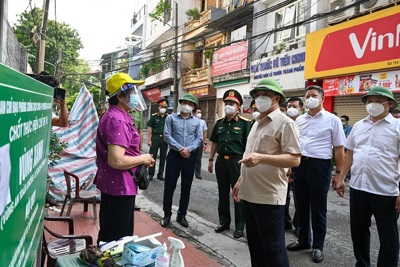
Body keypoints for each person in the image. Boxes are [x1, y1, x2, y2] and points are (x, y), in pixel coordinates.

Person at [232, 78, 302, 267]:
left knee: (273, 249)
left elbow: (294, 159)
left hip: (269, 197)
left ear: (276, 99)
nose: (260, 99)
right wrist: (240, 181)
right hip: (249, 193)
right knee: (255, 247)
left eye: (266, 96)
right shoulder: (256, 122)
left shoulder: (285, 123)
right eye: (258, 96)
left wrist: (262, 158)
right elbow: (249, 155)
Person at [332, 86, 400, 267]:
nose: (372, 105)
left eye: (377, 101)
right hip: (358, 188)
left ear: (389, 104)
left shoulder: (397, 127)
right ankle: (362, 263)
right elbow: (350, 153)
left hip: (386, 191)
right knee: (359, 231)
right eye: (369, 101)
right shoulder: (359, 126)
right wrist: (341, 178)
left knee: (389, 236)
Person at [286, 85, 346, 264]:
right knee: (301, 205)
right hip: (299, 165)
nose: (309, 98)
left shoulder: (332, 120)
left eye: (313, 95)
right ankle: (304, 240)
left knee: (318, 208)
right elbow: (295, 145)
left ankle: (318, 246)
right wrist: (290, 167)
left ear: (322, 98)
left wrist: (339, 173)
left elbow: (339, 148)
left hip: (320, 166)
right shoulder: (299, 120)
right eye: (307, 96)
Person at [94, 73, 155, 244]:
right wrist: (142, 159)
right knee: (117, 239)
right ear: (120, 96)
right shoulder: (117, 120)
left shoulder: (117, 116)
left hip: (115, 185)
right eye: (132, 92)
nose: (136, 96)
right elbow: (117, 161)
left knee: (110, 234)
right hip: (119, 186)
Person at [208, 89, 251, 239]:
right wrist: (211, 160)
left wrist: (245, 167)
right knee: (222, 193)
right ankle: (224, 222)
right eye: (226, 102)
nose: (228, 105)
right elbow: (214, 142)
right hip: (221, 161)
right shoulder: (219, 123)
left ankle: (240, 226)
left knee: (238, 194)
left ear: (238, 106)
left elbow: (249, 147)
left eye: (232, 103)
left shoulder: (245, 124)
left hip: (237, 162)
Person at [160, 93, 202, 228]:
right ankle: (166, 215)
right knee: (169, 186)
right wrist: (180, 149)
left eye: (190, 104)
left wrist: (188, 149)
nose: (187, 106)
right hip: (174, 155)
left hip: (190, 157)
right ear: (180, 104)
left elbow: (199, 138)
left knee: (186, 187)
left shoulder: (197, 122)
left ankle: (181, 215)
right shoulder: (170, 119)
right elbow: (167, 136)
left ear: (194, 107)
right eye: (185, 103)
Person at [285, 96, 304, 236]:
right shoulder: (283, 123)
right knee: (283, 196)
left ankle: (299, 225)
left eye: (294, 106)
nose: (291, 109)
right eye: (289, 106)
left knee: (300, 199)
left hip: (300, 165)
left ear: (301, 109)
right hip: (284, 165)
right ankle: (285, 222)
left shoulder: (304, 124)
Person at [147, 99, 169, 181]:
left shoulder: (168, 117)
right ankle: (150, 173)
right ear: (158, 107)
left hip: (164, 138)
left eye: (165, 107)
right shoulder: (154, 116)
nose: (163, 108)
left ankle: (160, 174)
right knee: (152, 156)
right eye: (162, 106)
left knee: (163, 157)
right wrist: (149, 140)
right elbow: (149, 128)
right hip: (155, 138)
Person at [129, 108, 145, 211]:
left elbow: (140, 131)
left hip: (134, 148)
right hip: (122, 145)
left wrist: (140, 149)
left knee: (134, 175)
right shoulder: (122, 111)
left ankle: (132, 201)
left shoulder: (138, 112)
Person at [193, 107, 208, 180]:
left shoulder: (202, 122)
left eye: (200, 112)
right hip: (192, 142)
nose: (199, 114)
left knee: (198, 158)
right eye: (198, 112)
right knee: (191, 157)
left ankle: (197, 173)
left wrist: (205, 142)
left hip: (200, 142)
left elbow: (204, 132)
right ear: (194, 113)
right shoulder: (191, 120)